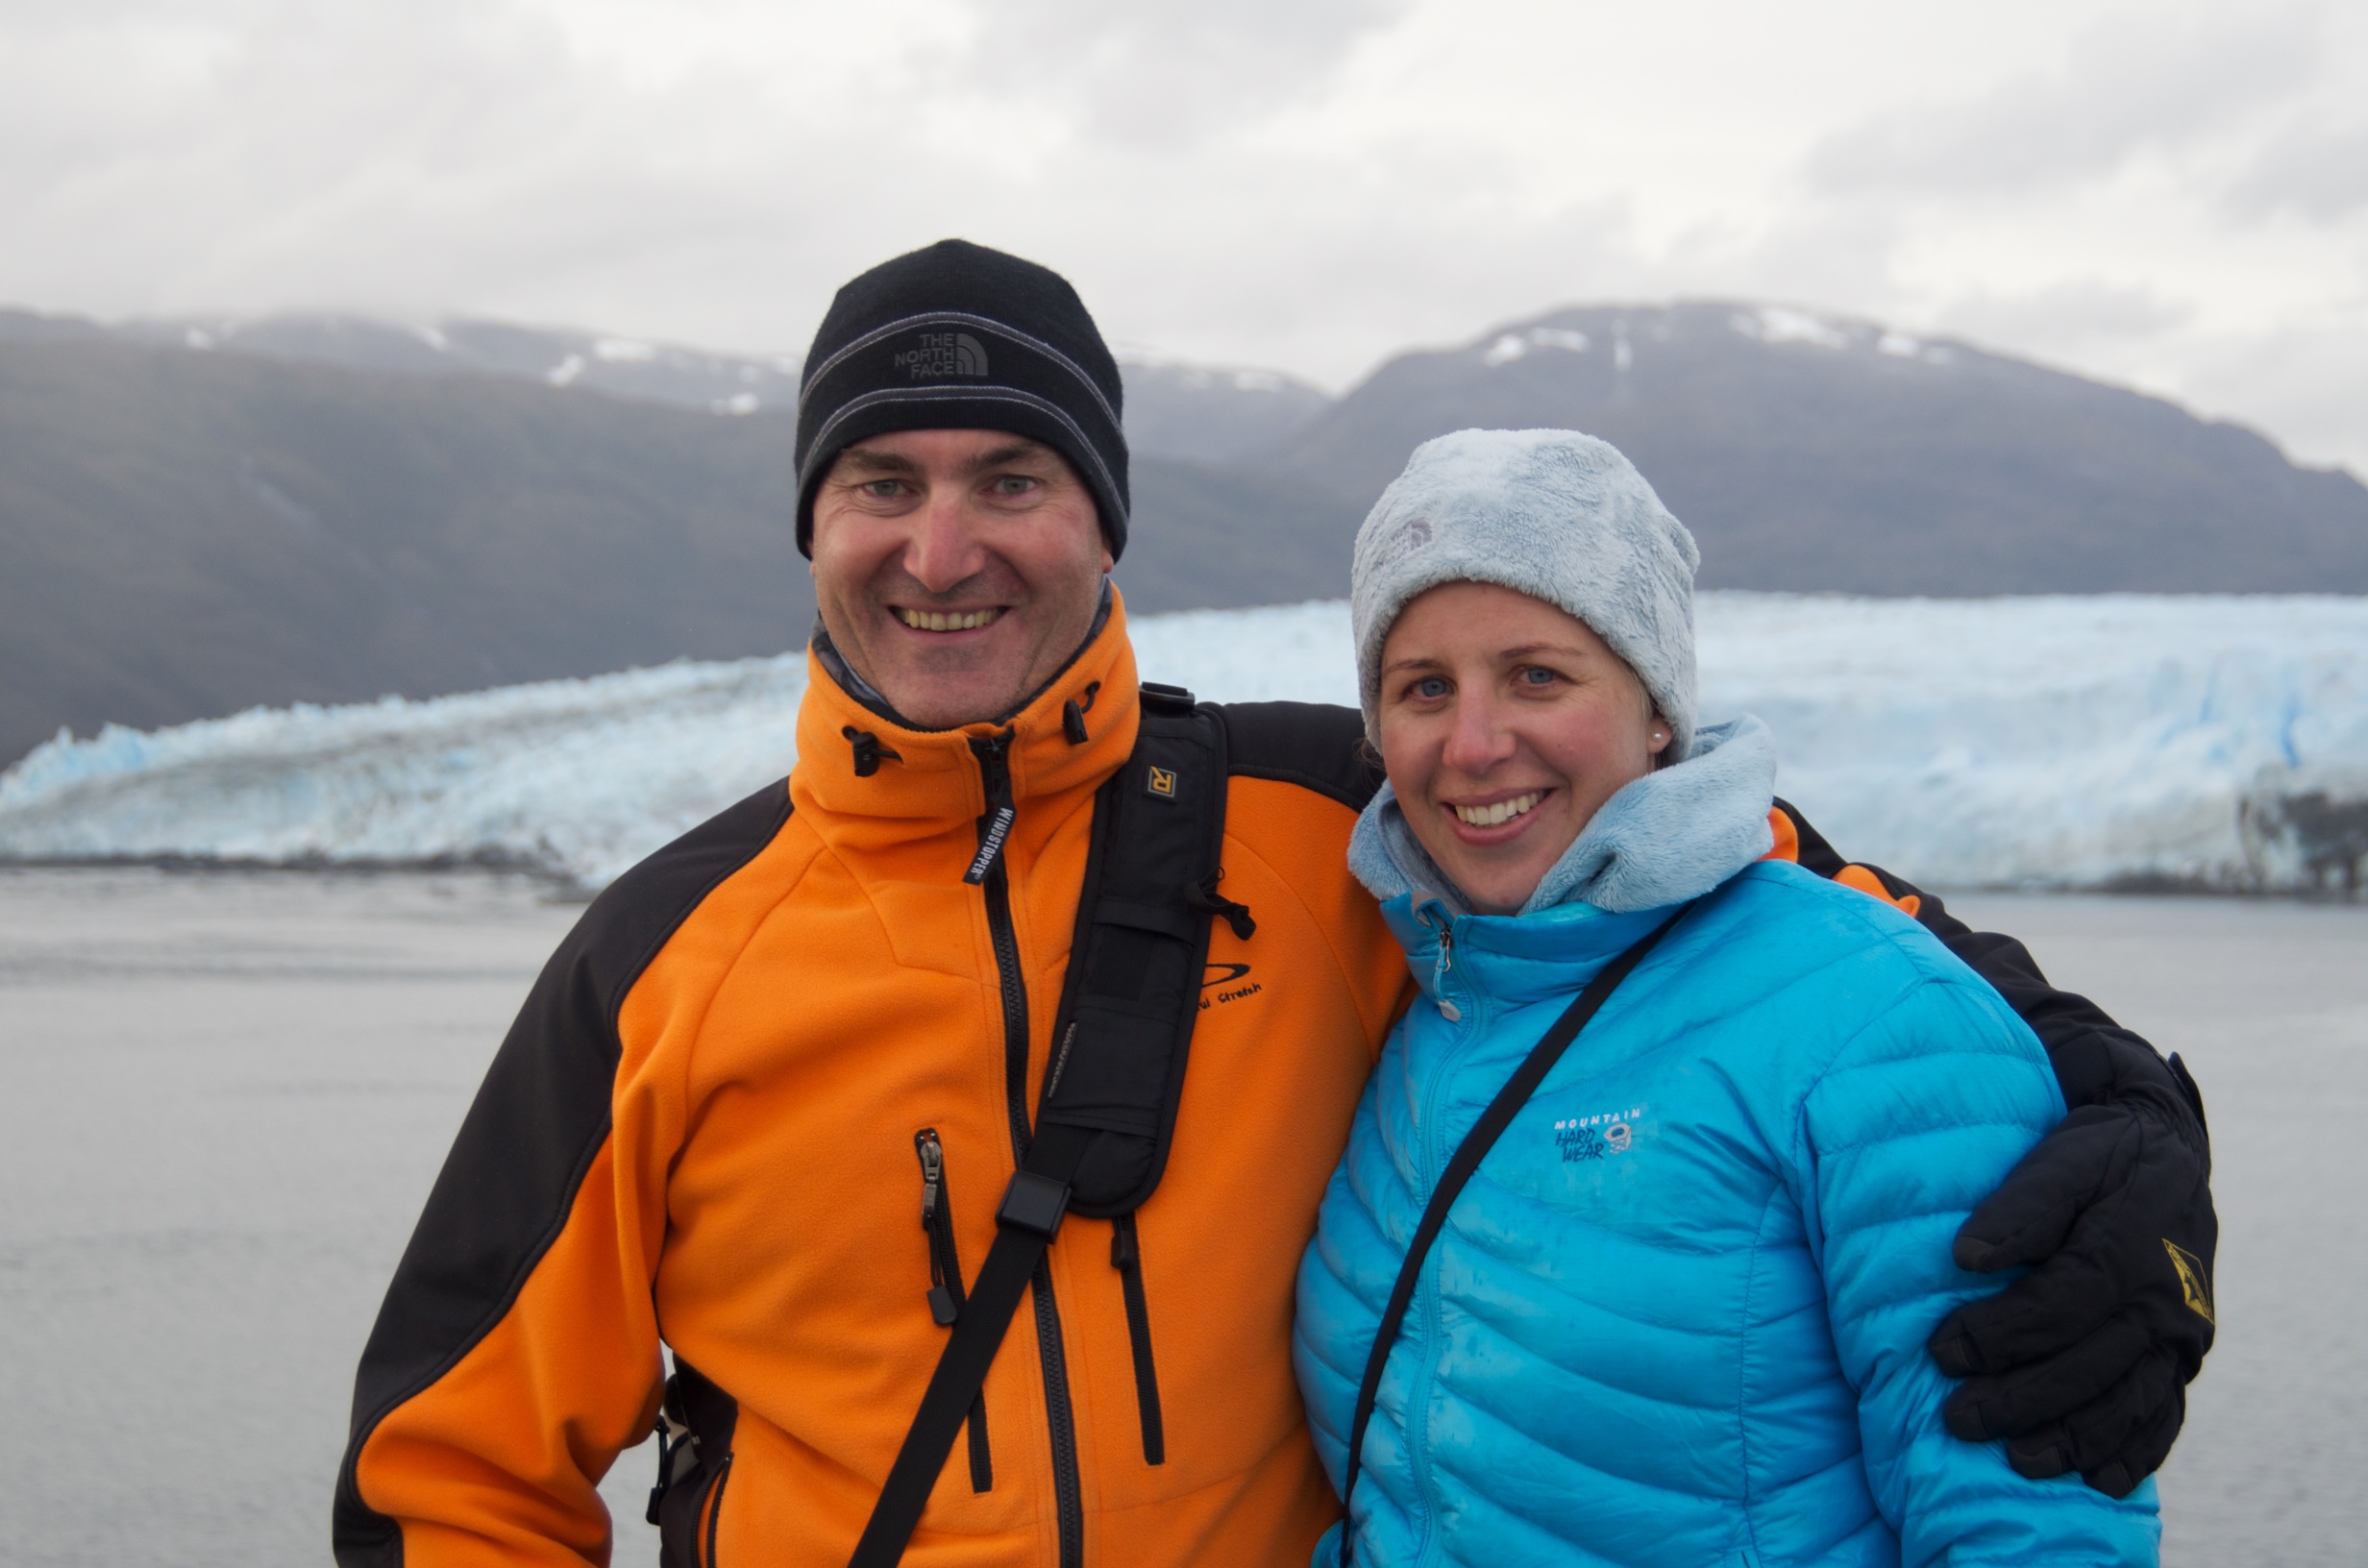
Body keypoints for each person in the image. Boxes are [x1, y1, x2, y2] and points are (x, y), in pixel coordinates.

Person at [333, 242, 2213, 1568]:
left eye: (1012, 477)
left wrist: (2107, 1093)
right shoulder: (667, 957)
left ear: (1102, 519)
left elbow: (1737, 889)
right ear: (811, 527)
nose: (942, 545)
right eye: (879, 482)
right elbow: (451, 1476)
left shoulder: (1337, 813)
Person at [1293, 428, 2165, 1566]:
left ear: (1656, 706)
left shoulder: (1870, 1016)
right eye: (1422, 688)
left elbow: (2030, 1521)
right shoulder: (1436, 1012)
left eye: (1537, 675)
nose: (1472, 743)